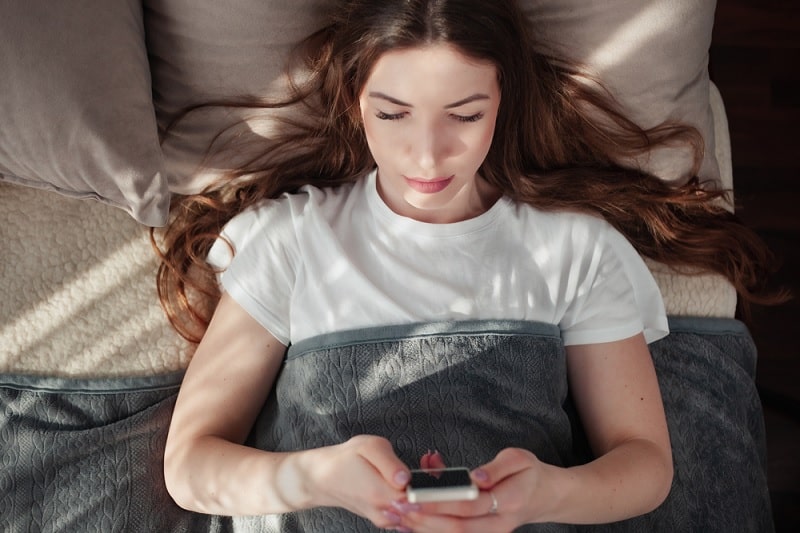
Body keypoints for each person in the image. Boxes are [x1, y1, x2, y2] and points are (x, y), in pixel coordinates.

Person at [155, 0, 785, 531]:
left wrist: (546, 492)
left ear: (502, 101)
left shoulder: (573, 248)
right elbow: (190, 467)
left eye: (464, 115)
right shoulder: (291, 240)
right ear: (354, 101)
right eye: (393, 113)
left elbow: (645, 463)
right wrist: (314, 477)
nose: (427, 155)